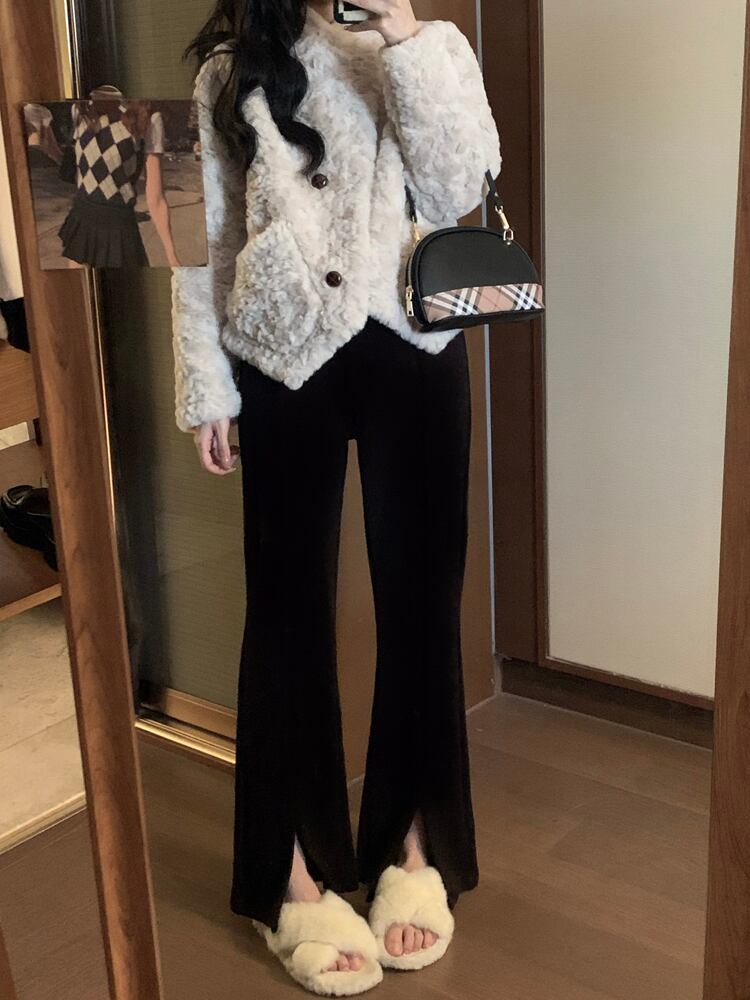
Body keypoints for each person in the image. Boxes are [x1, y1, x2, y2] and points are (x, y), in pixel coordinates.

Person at [171, 0, 501, 993]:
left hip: (415, 345)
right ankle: (290, 875)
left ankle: (414, 847)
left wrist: (403, 36)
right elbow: (200, 237)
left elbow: (461, 186)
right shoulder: (227, 68)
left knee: (423, 610)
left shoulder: (432, 44)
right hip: (281, 353)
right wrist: (207, 386)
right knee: (284, 619)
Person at [54, 87, 180, 267]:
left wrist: (172, 257)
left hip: (118, 227)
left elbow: (156, 197)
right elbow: (82, 171)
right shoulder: (81, 109)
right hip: (82, 218)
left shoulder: (149, 117)